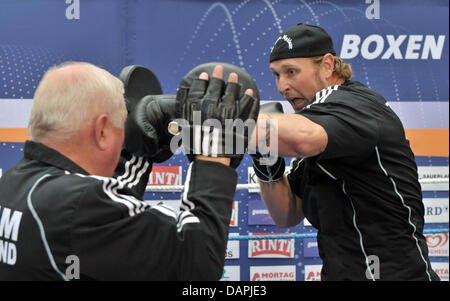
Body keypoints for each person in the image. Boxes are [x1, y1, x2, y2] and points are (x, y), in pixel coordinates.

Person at [0, 61, 257, 280]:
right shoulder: (79, 204)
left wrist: (139, 149)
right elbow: (198, 260)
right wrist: (214, 151)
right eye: (121, 127)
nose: (124, 135)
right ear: (101, 131)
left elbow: (105, 233)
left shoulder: (14, 183)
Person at [251, 23, 439, 281]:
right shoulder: (316, 119)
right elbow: (287, 213)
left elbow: (304, 140)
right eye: (276, 75)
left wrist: (231, 122)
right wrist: (264, 156)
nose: (282, 86)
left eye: (291, 72)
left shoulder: (355, 105)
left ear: (327, 65)